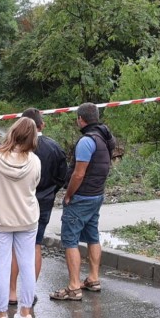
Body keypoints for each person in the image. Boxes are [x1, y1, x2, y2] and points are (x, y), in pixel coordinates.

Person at [0, 108, 67, 305]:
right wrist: (50, 192)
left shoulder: (0, 155)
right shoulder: (54, 148)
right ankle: (28, 295)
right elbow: (62, 177)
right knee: (35, 248)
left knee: (8, 254)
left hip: (8, 207)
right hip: (41, 205)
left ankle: (10, 292)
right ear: (42, 125)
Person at [50, 102, 116, 301]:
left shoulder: (87, 141)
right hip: (97, 195)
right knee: (92, 236)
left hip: (82, 197)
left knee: (70, 240)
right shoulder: (106, 137)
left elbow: (78, 174)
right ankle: (94, 279)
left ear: (81, 119)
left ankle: (73, 287)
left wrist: (68, 194)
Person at [0, 117, 41, 318]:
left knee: (1, 266)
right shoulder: (35, 161)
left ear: (12, 132)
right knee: (27, 265)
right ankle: (26, 313)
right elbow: (35, 184)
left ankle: (1, 315)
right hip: (27, 218)